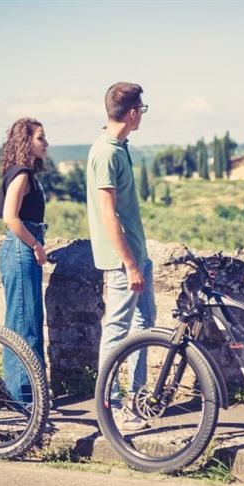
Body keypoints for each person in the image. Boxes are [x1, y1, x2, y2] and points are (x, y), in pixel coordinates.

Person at [86, 82, 155, 430]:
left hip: (137, 256)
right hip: (122, 262)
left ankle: (136, 399)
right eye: (142, 109)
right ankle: (111, 406)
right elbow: (107, 214)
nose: (142, 114)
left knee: (144, 325)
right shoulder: (107, 152)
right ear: (131, 112)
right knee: (116, 331)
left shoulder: (119, 147)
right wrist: (129, 264)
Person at [0, 117, 49, 404]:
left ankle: (30, 396)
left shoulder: (22, 173)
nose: (46, 143)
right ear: (26, 142)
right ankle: (25, 400)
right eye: (40, 137)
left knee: (26, 322)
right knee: (24, 327)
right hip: (21, 249)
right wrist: (36, 245)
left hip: (19, 250)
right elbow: (10, 218)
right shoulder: (22, 174)